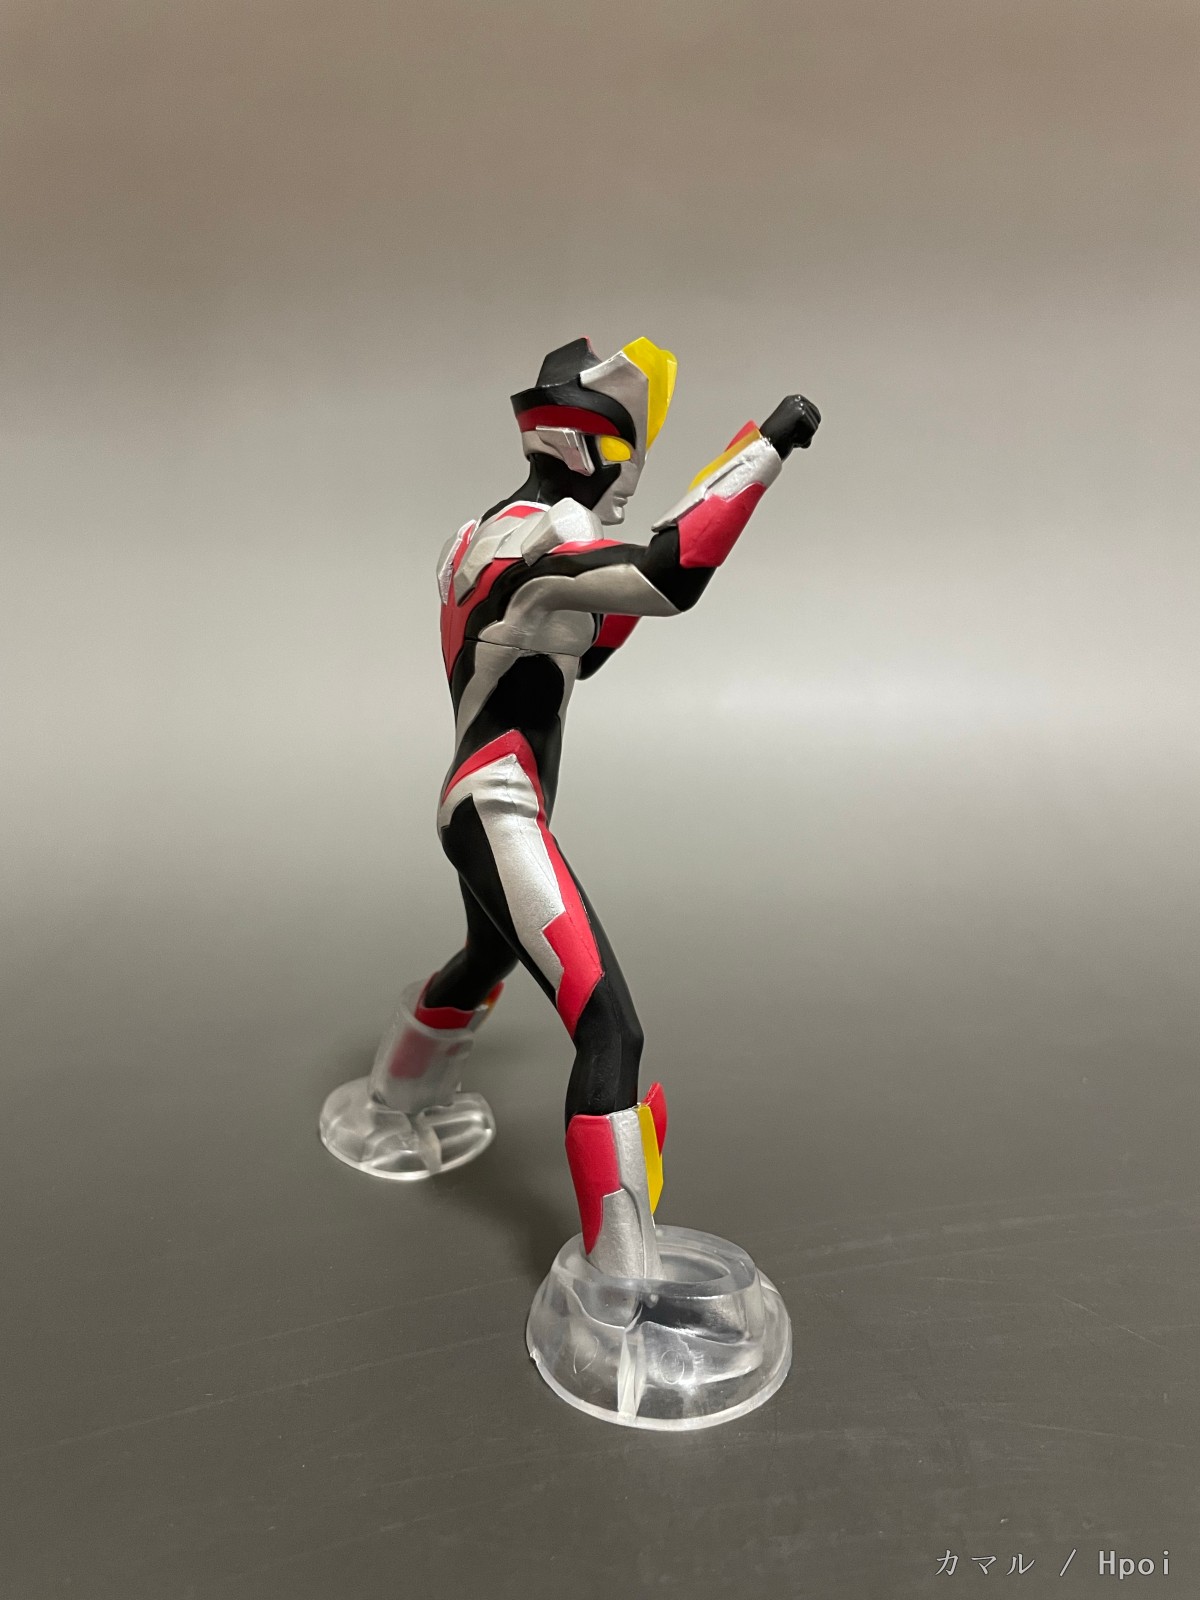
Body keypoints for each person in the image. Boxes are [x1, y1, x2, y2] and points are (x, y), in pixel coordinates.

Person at [391, 335, 820, 1277]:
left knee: (486, 954)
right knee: (607, 1026)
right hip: (500, 807)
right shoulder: (536, 552)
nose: (628, 485)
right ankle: (621, 1276)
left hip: (476, 802)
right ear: (583, 449)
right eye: (625, 460)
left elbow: (586, 639)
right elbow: (668, 575)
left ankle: (400, 1089)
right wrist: (767, 448)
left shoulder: (478, 538)